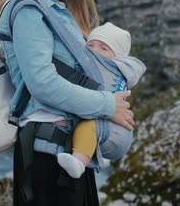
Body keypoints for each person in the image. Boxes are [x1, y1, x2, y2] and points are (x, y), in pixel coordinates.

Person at [0, 0, 135, 206]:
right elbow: (43, 84)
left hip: (63, 150)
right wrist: (108, 105)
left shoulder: (52, 8)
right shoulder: (28, 10)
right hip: (48, 152)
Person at [57, 22, 146, 178]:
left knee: (88, 127)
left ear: (117, 56)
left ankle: (78, 163)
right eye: (90, 45)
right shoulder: (121, 71)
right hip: (119, 131)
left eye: (104, 48)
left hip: (113, 132)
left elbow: (86, 101)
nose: (95, 51)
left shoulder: (106, 69)